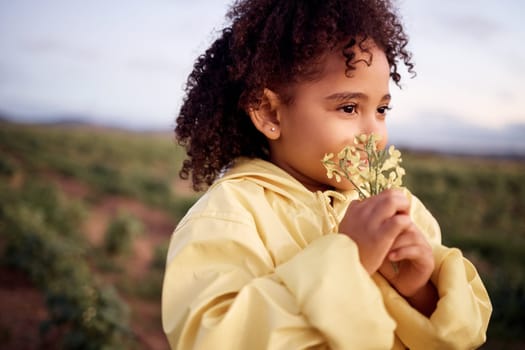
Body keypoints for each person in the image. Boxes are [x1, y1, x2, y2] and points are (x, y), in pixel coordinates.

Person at [162, 0, 492, 348]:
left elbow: (463, 334)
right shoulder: (229, 216)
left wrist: (418, 290)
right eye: (349, 108)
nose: (372, 133)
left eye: (381, 109)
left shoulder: (396, 207)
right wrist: (347, 256)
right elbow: (212, 338)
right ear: (270, 114)